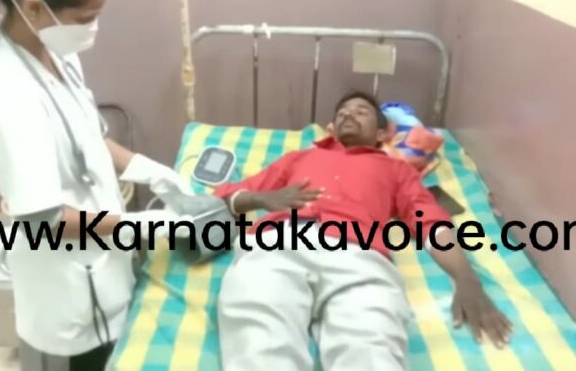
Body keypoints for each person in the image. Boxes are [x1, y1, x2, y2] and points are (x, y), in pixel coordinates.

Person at [0, 0, 188, 369]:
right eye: (85, 18)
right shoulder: (5, 95)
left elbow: (89, 139)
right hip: (68, 284)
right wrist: (147, 226)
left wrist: (152, 171)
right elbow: (46, 220)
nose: (93, 27)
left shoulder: (55, 50)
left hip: (102, 258)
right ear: (34, 8)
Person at [213, 91, 513, 371]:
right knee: (258, 338)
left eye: (361, 112)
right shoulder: (298, 159)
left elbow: (430, 221)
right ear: (332, 126)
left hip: (359, 257)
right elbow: (222, 197)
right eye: (342, 112)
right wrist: (261, 198)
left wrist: (466, 279)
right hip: (278, 246)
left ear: (382, 134)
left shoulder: (397, 171)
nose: (348, 114)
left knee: (372, 347)